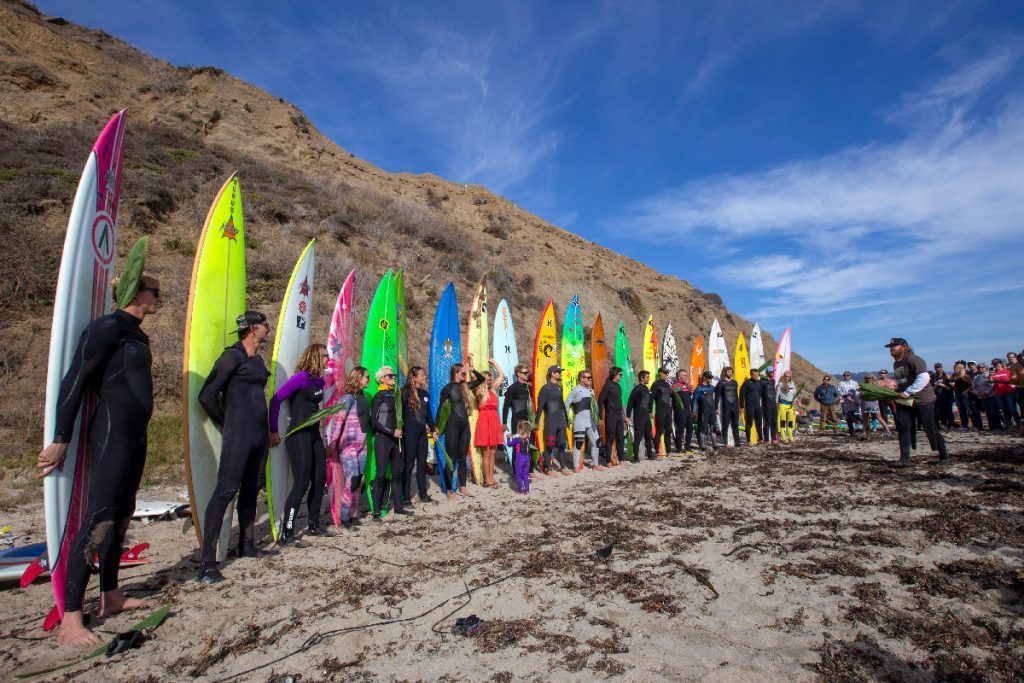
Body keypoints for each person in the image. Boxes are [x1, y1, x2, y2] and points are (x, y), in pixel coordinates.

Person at [37, 270, 161, 646]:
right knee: (100, 517)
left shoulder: (137, 333)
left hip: (135, 435)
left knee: (123, 514)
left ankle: (110, 596)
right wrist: (61, 438)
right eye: (155, 291)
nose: (160, 297)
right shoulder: (107, 327)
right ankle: (71, 619)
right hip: (111, 433)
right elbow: (74, 380)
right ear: (136, 293)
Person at [196, 311, 272, 585]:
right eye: (265, 325)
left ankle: (246, 545)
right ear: (253, 328)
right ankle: (207, 563)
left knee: (251, 490)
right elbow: (206, 395)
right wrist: (225, 423)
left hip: (259, 435)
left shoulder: (257, 359)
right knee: (225, 491)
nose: (268, 328)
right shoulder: (231, 357)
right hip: (238, 434)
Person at [268, 343, 327, 545]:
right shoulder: (300, 378)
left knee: (320, 480)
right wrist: (273, 430)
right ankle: (288, 531)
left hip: (313, 434)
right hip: (298, 435)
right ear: (316, 357)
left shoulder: (319, 381)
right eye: (325, 356)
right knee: (302, 482)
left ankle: (314, 525)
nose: (328, 359)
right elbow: (276, 400)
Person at [886, 337, 948, 468]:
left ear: (904, 347)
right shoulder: (896, 364)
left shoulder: (913, 359)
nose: (891, 349)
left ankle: (944, 456)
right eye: (890, 347)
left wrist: (908, 392)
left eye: (894, 346)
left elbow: (924, 377)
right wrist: (894, 385)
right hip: (906, 400)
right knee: (903, 427)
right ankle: (904, 459)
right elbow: (901, 379)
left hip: (923, 399)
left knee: (929, 428)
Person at [324, 366, 371, 527]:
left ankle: (352, 515)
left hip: (362, 446)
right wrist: (332, 444)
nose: (369, 380)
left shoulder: (363, 397)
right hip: (349, 446)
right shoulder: (347, 398)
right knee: (352, 481)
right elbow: (338, 422)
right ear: (358, 378)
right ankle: (343, 517)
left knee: (358, 482)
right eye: (367, 377)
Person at [438, 362, 484, 495]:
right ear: (455, 373)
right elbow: (441, 410)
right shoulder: (447, 389)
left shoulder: (465, 386)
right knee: (451, 457)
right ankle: (448, 490)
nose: (464, 375)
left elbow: (481, 379)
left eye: (465, 373)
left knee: (462, 458)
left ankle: (463, 487)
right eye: (462, 373)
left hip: (464, 426)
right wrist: (436, 428)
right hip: (452, 426)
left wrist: (472, 369)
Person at [369, 366, 407, 520]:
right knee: (381, 474)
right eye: (390, 375)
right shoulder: (379, 396)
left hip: (397, 440)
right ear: (382, 379)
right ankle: (376, 512)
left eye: (394, 375)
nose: (393, 377)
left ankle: (398, 507)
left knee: (398, 472)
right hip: (384, 439)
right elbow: (373, 421)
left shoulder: (397, 394)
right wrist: (391, 432)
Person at [401, 366, 441, 504]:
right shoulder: (404, 393)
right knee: (409, 464)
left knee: (422, 463)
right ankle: (406, 497)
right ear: (414, 377)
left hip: (422, 433)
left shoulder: (424, 393)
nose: (425, 377)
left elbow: (428, 414)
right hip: (409, 432)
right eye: (422, 375)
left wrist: (433, 428)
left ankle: (423, 494)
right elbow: (399, 415)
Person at [472, 359, 506, 488]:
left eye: (491, 378)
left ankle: (491, 478)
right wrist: (471, 361)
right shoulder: (479, 391)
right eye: (488, 378)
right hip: (484, 421)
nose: (490, 380)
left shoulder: (493, 390)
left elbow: (502, 375)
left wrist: (494, 363)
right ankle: (487, 480)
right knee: (486, 452)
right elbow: (474, 376)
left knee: (493, 452)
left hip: (494, 421)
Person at [565, 369, 606, 470]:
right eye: (588, 378)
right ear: (581, 379)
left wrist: (598, 419)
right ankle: (575, 467)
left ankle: (595, 465)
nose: (590, 379)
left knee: (596, 442)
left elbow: (594, 407)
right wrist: (567, 418)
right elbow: (566, 404)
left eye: (590, 377)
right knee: (579, 443)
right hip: (580, 420)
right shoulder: (576, 390)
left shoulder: (591, 390)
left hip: (591, 421)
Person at [537, 365, 572, 473]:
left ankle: (562, 467)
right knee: (549, 445)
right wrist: (536, 422)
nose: (560, 374)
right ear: (552, 373)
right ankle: (548, 468)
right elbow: (540, 407)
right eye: (558, 372)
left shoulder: (559, 387)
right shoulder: (545, 389)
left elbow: (561, 404)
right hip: (551, 421)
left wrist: (566, 419)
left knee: (562, 444)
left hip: (560, 420)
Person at [502, 364, 535, 474]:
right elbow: (506, 406)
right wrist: (504, 422)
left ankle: (529, 470)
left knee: (530, 444)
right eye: (525, 373)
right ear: (518, 374)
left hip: (528, 420)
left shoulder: (528, 388)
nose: (527, 375)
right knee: (518, 446)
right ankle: (516, 472)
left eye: (527, 373)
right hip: (517, 421)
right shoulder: (512, 388)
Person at [598, 366, 627, 466]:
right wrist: (600, 417)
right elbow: (600, 401)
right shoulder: (607, 386)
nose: (621, 376)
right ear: (615, 374)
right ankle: (608, 461)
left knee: (620, 437)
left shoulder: (618, 386)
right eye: (620, 375)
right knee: (610, 437)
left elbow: (619, 402)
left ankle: (622, 459)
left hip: (619, 415)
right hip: (611, 415)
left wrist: (624, 416)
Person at [628, 370, 655, 460]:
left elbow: (649, 401)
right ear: (642, 378)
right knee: (638, 436)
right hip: (639, 416)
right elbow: (630, 403)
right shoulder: (637, 389)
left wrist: (650, 411)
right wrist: (628, 416)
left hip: (646, 416)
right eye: (647, 377)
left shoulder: (646, 388)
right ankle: (636, 457)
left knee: (649, 436)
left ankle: (650, 455)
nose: (649, 379)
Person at [649, 367, 674, 456]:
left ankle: (669, 451)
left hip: (668, 410)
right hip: (660, 410)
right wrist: (650, 411)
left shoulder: (667, 384)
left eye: (667, 373)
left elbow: (670, 397)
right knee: (659, 431)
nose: (667, 374)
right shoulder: (655, 384)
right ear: (660, 373)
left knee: (668, 430)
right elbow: (651, 398)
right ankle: (656, 451)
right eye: (665, 373)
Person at [990, 359, 1021, 429]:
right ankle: (1008, 424)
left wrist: (1013, 386)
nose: (995, 366)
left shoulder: (1007, 371)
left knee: (1012, 408)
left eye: (997, 364)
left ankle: (1018, 423)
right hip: (998, 393)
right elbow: (990, 383)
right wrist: (990, 375)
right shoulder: (993, 373)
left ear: (1001, 364)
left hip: (1009, 392)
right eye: (994, 364)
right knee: (1004, 409)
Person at [714, 366, 740, 447]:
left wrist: (739, 406)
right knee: (725, 424)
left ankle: (737, 442)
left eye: (731, 372)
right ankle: (725, 442)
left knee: (735, 424)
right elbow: (717, 396)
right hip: (726, 406)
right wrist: (716, 408)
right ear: (725, 373)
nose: (730, 373)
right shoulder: (721, 383)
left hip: (735, 406)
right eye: (729, 372)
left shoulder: (735, 382)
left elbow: (736, 395)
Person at [693, 371, 718, 450]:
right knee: (703, 428)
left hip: (712, 411)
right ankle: (703, 446)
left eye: (711, 377)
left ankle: (715, 445)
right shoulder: (699, 388)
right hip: (703, 411)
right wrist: (694, 411)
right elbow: (694, 400)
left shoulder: (712, 387)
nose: (710, 379)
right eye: (709, 377)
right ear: (704, 377)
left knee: (713, 427)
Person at [506, 420, 533, 493]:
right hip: (527, 457)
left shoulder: (516, 439)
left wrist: (508, 438)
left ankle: (521, 489)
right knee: (525, 474)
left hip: (520, 457)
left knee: (518, 474)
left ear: (520, 429)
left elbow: (509, 444)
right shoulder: (528, 439)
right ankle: (527, 489)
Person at [671, 370, 694, 452]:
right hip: (680, 411)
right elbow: (671, 394)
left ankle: (687, 447)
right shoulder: (675, 386)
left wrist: (691, 392)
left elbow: (688, 397)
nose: (686, 377)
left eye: (686, 375)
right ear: (679, 377)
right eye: (684, 375)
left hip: (688, 411)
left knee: (690, 429)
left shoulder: (687, 386)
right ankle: (679, 448)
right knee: (680, 430)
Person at [739, 368, 764, 445]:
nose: (756, 376)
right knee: (749, 422)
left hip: (757, 406)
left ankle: (760, 439)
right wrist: (742, 406)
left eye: (757, 375)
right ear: (751, 375)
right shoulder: (746, 383)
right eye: (754, 375)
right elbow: (742, 394)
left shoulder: (759, 382)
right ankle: (748, 440)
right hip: (750, 406)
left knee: (759, 422)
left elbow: (760, 393)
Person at [973, 364, 1001, 430]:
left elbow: (993, 385)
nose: (980, 369)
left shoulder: (990, 375)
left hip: (990, 395)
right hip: (981, 396)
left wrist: (986, 393)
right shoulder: (976, 377)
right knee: (988, 411)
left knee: (993, 410)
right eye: (978, 368)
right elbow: (974, 386)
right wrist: (978, 393)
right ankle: (991, 426)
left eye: (982, 367)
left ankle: (997, 426)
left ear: (986, 368)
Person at [951, 361, 975, 430]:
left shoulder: (966, 374)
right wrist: (952, 385)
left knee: (969, 409)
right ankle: (964, 425)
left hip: (965, 394)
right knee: (961, 410)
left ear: (962, 367)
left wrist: (966, 391)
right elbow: (952, 383)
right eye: (955, 367)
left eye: (957, 367)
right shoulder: (954, 375)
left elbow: (972, 384)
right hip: (958, 393)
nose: (956, 368)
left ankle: (975, 425)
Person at [776, 370, 798, 444]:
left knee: (790, 422)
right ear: (783, 376)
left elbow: (794, 393)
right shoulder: (780, 384)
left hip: (790, 405)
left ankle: (790, 437)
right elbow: (777, 394)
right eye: (785, 376)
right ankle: (783, 437)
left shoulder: (792, 383)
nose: (787, 377)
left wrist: (796, 400)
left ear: (790, 377)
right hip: (782, 404)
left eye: (788, 376)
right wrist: (776, 403)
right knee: (782, 422)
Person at [838, 371, 861, 437]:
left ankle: (859, 427)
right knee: (848, 417)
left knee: (857, 415)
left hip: (854, 401)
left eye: (848, 375)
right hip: (846, 401)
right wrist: (842, 398)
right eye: (845, 375)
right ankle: (851, 431)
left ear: (850, 376)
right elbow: (840, 392)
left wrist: (855, 398)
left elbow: (858, 391)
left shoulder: (855, 383)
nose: (846, 376)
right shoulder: (841, 383)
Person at [761, 367, 779, 444]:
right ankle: (766, 439)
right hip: (766, 404)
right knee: (767, 422)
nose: (772, 373)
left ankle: (774, 438)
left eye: (773, 372)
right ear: (767, 373)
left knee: (774, 422)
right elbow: (760, 393)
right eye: (771, 372)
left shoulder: (773, 381)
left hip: (773, 404)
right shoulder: (762, 381)